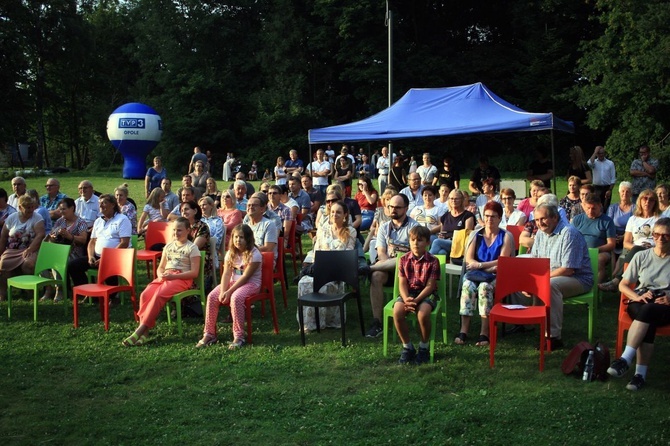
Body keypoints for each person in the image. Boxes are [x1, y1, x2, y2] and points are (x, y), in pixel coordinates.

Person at [517, 203, 593, 348]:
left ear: (554, 218)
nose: (539, 223)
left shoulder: (569, 233)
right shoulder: (540, 233)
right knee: (522, 280)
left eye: (543, 219)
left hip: (578, 278)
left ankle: (553, 338)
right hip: (553, 275)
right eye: (537, 220)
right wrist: (530, 281)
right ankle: (526, 323)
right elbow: (536, 261)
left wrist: (540, 280)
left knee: (550, 286)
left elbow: (568, 269)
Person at [606, 218, 670, 391]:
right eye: (656, 234)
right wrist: (637, 296)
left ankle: (626, 359)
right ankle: (639, 375)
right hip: (639, 301)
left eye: (665, 235)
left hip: (665, 305)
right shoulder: (642, 255)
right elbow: (622, 285)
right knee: (647, 312)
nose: (660, 238)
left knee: (648, 314)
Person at [123, 217, 201, 347]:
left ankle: (140, 330)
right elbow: (161, 266)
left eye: (180, 230)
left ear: (188, 231)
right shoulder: (169, 246)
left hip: (182, 278)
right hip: (166, 276)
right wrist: (160, 274)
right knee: (145, 294)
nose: (176, 233)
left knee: (159, 295)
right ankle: (146, 332)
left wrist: (174, 277)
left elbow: (194, 273)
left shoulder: (192, 248)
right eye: (174, 230)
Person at [455, 202, 514, 347]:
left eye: (493, 216)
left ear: (500, 218)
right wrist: (488, 266)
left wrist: (481, 265)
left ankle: (484, 332)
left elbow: (503, 262)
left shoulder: (506, 236)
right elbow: (469, 260)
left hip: (496, 276)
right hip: (476, 274)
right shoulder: (476, 234)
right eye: (487, 216)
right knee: (468, 285)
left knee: (484, 287)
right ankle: (464, 330)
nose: (489, 219)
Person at [360, 193, 418, 338]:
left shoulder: (414, 227)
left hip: (409, 272)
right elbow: (381, 253)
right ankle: (377, 322)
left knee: (400, 260)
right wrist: (387, 265)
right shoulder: (384, 227)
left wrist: (386, 265)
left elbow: (412, 257)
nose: (393, 210)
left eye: (398, 207)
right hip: (388, 268)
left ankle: (369, 268)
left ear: (406, 208)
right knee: (377, 276)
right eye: (391, 206)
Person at [197, 224, 262, 349]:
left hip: (251, 284)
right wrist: (223, 291)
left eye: (242, 237)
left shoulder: (255, 254)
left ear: (248, 239)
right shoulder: (230, 253)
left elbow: (245, 277)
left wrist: (229, 292)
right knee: (212, 297)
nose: (238, 240)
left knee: (236, 298)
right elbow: (227, 274)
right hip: (233, 283)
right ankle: (209, 333)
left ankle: (239, 336)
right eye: (236, 237)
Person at [297, 201, 357, 332]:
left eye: (339, 212)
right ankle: (309, 323)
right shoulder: (323, 230)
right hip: (320, 268)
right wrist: (316, 265)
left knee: (324, 285)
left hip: (338, 271)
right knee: (304, 282)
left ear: (345, 215)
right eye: (333, 212)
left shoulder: (350, 231)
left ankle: (326, 321)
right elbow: (316, 251)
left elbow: (348, 254)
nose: (335, 215)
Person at [393, 225, 440, 365]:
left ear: (427, 243)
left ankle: (424, 347)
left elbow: (430, 286)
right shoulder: (403, 260)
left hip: (426, 294)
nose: (415, 243)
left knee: (423, 314)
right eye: (412, 240)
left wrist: (417, 300)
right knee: (397, 312)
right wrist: (407, 299)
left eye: (419, 240)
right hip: (409, 294)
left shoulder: (433, 261)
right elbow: (402, 283)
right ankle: (407, 347)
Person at [600, 189, 660, 292]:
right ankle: (621, 283)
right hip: (634, 249)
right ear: (640, 201)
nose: (647, 202)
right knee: (635, 251)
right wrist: (638, 248)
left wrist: (653, 247)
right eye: (645, 199)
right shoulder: (633, 219)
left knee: (632, 253)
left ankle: (616, 281)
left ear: (655, 203)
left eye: (651, 200)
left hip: (654, 249)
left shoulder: (660, 219)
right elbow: (626, 242)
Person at [68, 194, 132, 291]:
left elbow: (124, 243)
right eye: (99, 203)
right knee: (73, 266)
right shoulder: (98, 221)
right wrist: (90, 256)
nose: (100, 206)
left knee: (107, 265)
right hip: (97, 257)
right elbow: (92, 241)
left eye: (104, 203)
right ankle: (86, 291)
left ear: (113, 205)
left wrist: (106, 258)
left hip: (116, 256)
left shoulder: (122, 219)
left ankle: (114, 294)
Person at [41, 197, 88, 302]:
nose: (61, 212)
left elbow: (83, 240)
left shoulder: (81, 222)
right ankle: (49, 288)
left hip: (73, 253)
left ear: (72, 208)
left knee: (57, 261)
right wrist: (52, 236)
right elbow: (52, 234)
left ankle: (61, 290)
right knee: (41, 260)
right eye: (60, 209)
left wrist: (70, 236)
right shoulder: (60, 221)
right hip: (58, 251)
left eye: (63, 209)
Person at [0, 195, 45, 301]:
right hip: (12, 250)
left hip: (31, 248)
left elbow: (40, 235)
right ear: (20, 207)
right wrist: (1, 252)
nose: (31, 210)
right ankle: (2, 292)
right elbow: (4, 236)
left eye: (32, 207)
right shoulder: (12, 218)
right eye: (27, 207)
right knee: (3, 263)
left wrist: (30, 249)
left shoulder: (37, 217)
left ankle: (31, 291)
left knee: (28, 263)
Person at [572, 193, 616, 283]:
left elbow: (611, 244)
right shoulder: (577, 220)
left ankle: (596, 286)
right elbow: (570, 238)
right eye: (588, 208)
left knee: (599, 260)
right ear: (584, 206)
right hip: (579, 250)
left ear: (600, 206)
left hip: (600, 251)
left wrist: (595, 250)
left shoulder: (607, 221)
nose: (590, 211)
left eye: (594, 208)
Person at [429, 189, 476, 257]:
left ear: (462, 200)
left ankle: (425, 262)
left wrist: (452, 238)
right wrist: (441, 236)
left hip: (459, 244)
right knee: (442, 252)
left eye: (457, 199)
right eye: (451, 198)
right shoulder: (446, 216)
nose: (453, 200)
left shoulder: (468, 216)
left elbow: (467, 236)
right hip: (446, 243)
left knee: (437, 242)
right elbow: (442, 232)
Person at [181, 200, 213, 292]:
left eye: (186, 209)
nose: (184, 212)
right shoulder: (181, 227)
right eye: (182, 210)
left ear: (195, 211)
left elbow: (194, 248)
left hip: (199, 261)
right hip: (185, 258)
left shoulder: (202, 227)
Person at [364, 186, 396, 263]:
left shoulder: (396, 213)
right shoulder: (379, 211)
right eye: (387, 199)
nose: (389, 201)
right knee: (373, 242)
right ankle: (373, 262)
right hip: (378, 236)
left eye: (391, 199)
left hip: (391, 238)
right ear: (384, 201)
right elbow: (372, 226)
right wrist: (376, 230)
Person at [607, 181, 635, 255]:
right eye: (622, 191)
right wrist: (613, 236)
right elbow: (608, 223)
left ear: (631, 194)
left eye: (627, 191)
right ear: (619, 193)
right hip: (613, 235)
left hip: (629, 236)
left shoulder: (635, 208)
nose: (625, 193)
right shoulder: (612, 207)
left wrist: (623, 236)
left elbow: (635, 225)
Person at [199, 196, 225, 267]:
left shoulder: (218, 221)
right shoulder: (198, 220)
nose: (202, 207)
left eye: (204, 205)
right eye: (200, 205)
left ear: (211, 206)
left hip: (210, 250)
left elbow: (217, 240)